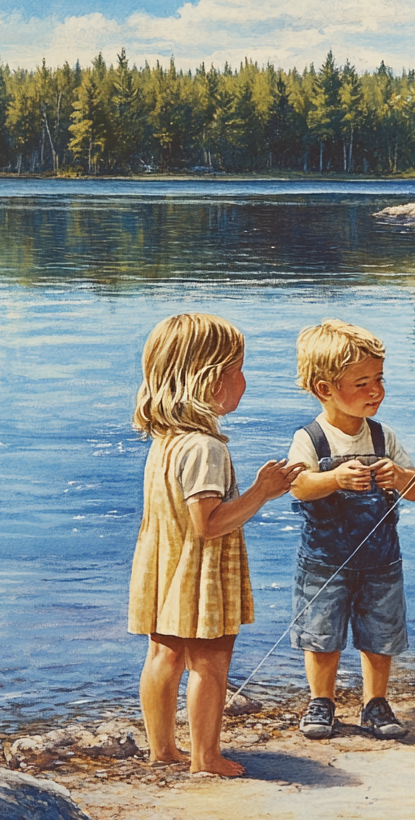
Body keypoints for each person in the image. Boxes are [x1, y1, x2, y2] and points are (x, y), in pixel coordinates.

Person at [129, 313, 303, 774]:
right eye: (239, 369)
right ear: (210, 382)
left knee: (163, 654)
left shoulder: (166, 441)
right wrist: (262, 492)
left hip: (163, 566)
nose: (245, 381)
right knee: (210, 661)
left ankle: (162, 749)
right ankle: (206, 757)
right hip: (199, 573)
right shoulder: (207, 448)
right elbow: (208, 524)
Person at [287, 319, 415, 740]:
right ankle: (321, 701)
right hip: (324, 560)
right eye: (362, 382)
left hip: (382, 560)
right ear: (324, 389)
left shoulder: (384, 436)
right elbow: (297, 485)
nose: (375, 391)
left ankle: (375, 702)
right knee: (321, 632)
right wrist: (334, 480)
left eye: (379, 380)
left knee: (379, 633)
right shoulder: (311, 438)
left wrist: (399, 476)